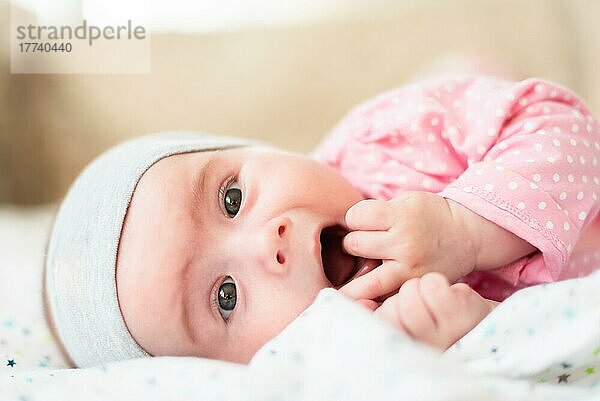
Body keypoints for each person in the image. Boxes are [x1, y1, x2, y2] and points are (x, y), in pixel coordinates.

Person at [44, 74, 600, 368]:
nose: (270, 242)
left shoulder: (387, 141)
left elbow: (560, 122)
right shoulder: (355, 362)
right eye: (226, 297)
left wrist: (465, 226)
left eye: (232, 199)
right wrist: (463, 342)